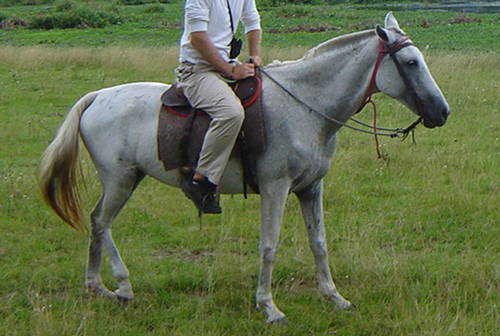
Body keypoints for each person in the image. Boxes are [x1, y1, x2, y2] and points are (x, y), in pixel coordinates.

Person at [175, 0, 262, 214]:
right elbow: (197, 38)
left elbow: (252, 22)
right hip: (197, 71)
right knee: (230, 113)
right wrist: (231, 71)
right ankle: (201, 180)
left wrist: (254, 55)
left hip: (228, 65)